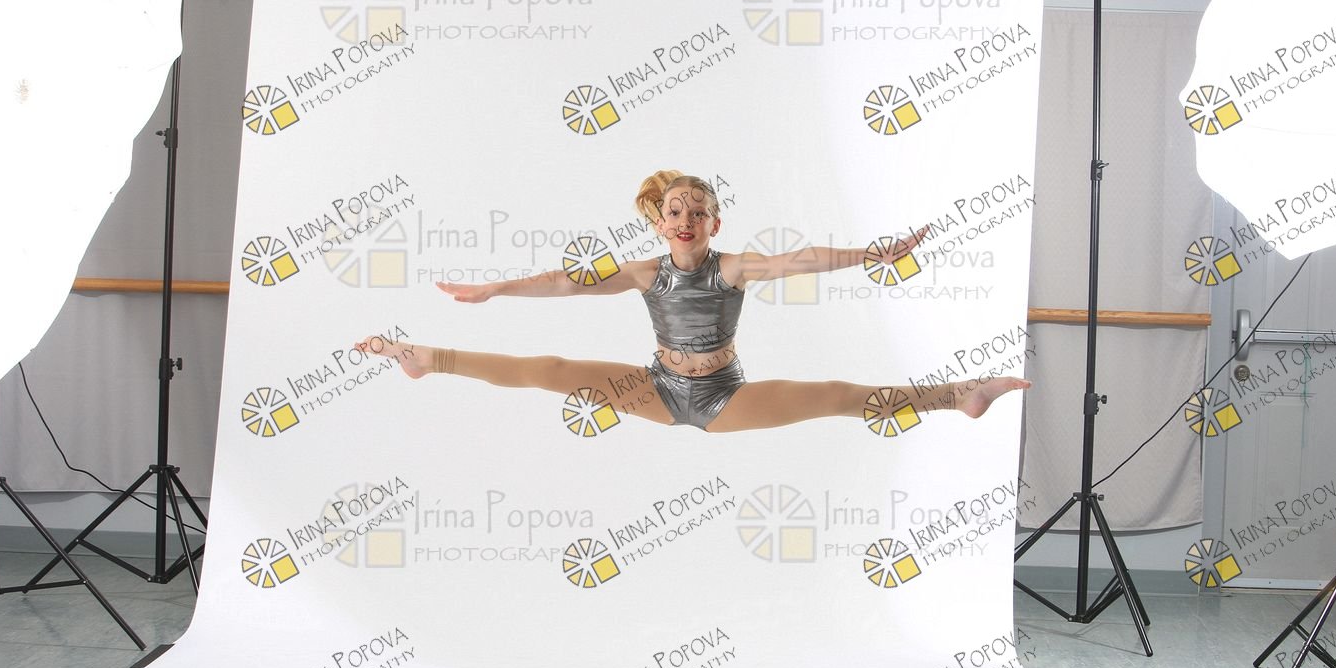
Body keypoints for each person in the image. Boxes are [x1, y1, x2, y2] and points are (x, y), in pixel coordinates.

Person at [357, 171, 1028, 433]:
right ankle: (424, 357)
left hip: (722, 395)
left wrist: (872, 254)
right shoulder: (643, 272)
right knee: (549, 369)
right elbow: (566, 281)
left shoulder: (732, 267)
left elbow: (801, 259)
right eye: (675, 211)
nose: (685, 220)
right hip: (657, 388)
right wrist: (496, 287)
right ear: (659, 222)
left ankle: (959, 395)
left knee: (835, 394)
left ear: (714, 223)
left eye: (697, 212)